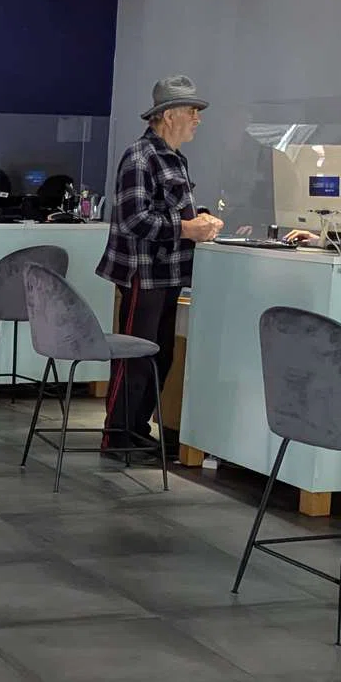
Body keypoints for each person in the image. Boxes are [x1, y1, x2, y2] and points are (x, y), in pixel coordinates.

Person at [97, 75, 224, 455]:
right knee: (135, 356)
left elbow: (166, 209)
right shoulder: (140, 157)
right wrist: (187, 228)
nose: (198, 119)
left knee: (159, 354)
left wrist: (199, 218)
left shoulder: (173, 158)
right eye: (192, 111)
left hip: (169, 274)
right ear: (168, 116)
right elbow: (135, 219)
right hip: (144, 273)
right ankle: (117, 436)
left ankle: (137, 430)